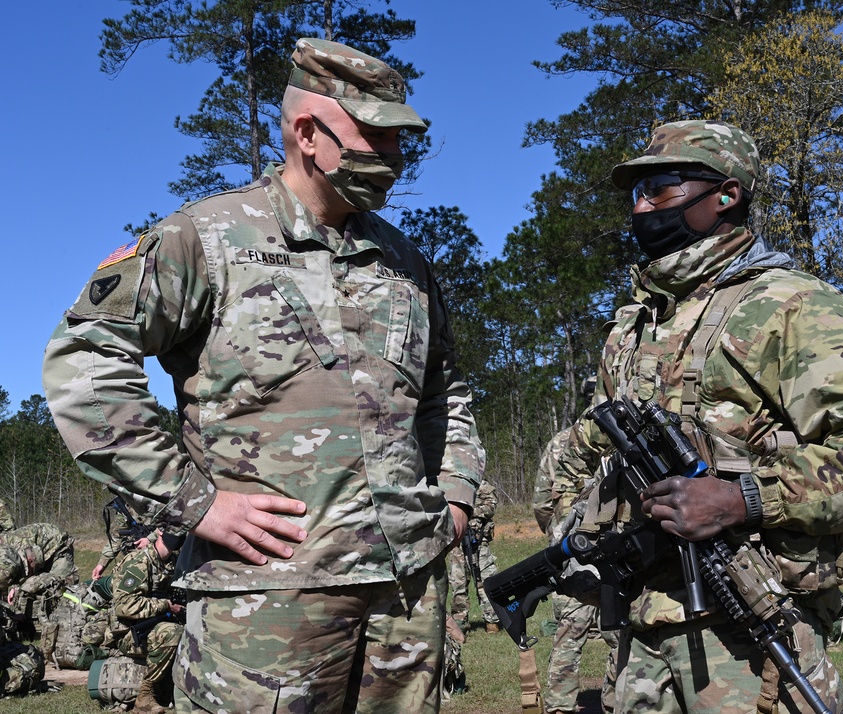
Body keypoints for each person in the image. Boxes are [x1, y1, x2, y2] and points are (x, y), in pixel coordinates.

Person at [42, 37, 485, 714]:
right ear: (308, 132)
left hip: (407, 599)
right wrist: (194, 501)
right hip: (266, 604)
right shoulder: (208, 238)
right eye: (377, 137)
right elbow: (85, 363)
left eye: (401, 141)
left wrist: (451, 496)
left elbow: (443, 390)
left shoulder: (405, 262)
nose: (396, 159)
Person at [556, 120, 843, 714]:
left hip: (748, 628)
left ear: (726, 195)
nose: (641, 207)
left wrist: (742, 499)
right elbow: (595, 450)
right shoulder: (635, 322)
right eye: (635, 193)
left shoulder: (789, 305)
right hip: (639, 628)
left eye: (662, 189)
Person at [533, 379, 618, 714]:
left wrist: (557, 532)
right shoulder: (625, 441)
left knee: (569, 634)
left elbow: (541, 502)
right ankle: (615, 702)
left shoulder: (561, 444)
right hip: (614, 548)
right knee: (622, 632)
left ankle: (559, 707)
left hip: (572, 553)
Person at [107, 532, 185, 714]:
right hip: (129, 633)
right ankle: (145, 696)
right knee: (171, 632)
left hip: (153, 625)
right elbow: (124, 605)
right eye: (172, 528)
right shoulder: (140, 561)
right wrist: (165, 605)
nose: (177, 535)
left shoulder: (173, 562)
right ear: (159, 532)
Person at [448, 477, 501, 633]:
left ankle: (492, 620)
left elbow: (491, 507)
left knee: (485, 580)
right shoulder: (452, 485)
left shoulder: (483, 486)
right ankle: (460, 621)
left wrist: (470, 512)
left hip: (479, 542)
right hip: (457, 543)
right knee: (458, 582)